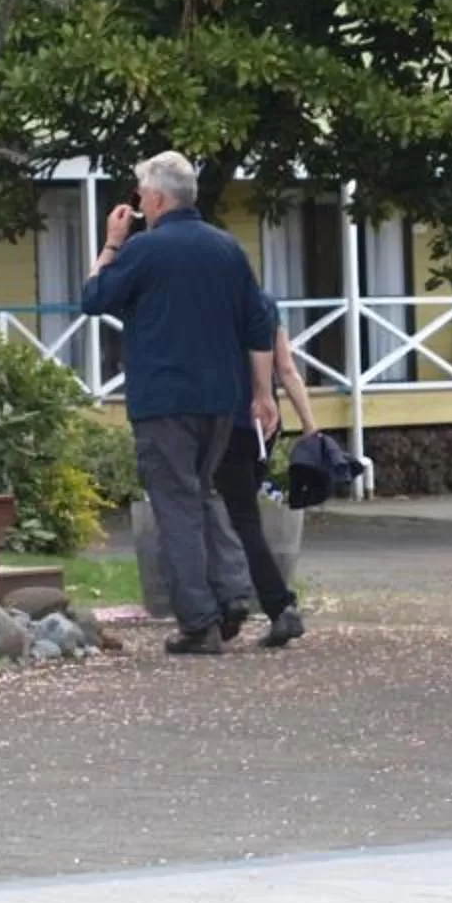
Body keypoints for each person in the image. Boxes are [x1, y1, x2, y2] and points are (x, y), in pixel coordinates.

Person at [78, 150, 275, 656]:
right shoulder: (228, 249)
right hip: (220, 399)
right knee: (205, 493)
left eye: (142, 194)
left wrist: (111, 243)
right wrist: (261, 392)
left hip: (165, 399)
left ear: (159, 198)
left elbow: (95, 298)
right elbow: (259, 326)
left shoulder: (145, 250)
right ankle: (232, 593)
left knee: (176, 506)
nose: (138, 202)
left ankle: (199, 621)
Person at [211, 295, 325, 648]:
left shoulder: (210, 303)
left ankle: (256, 604)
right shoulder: (264, 304)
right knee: (243, 517)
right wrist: (310, 426)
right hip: (264, 425)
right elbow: (287, 368)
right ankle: (255, 603)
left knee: (223, 515)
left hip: (223, 420)